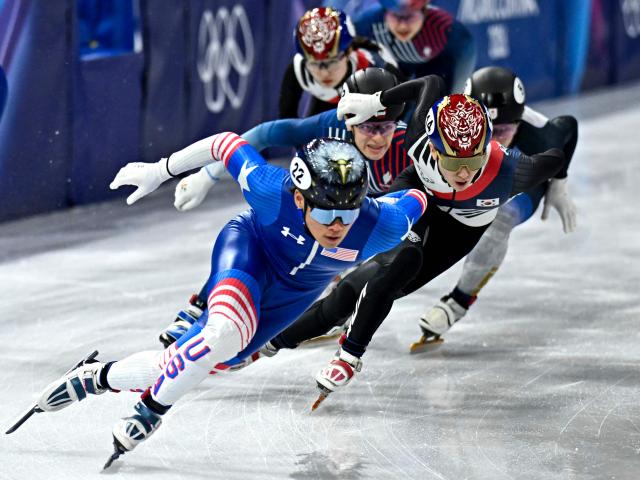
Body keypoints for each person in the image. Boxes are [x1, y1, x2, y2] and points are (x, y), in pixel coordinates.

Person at [29, 135, 428, 466]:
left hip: (293, 295)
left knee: (196, 361)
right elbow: (226, 144)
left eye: (349, 214)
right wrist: (161, 169)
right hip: (248, 253)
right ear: (302, 199)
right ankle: (148, 413)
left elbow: (422, 195)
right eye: (326, 214)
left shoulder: (384, 224)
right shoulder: (271, 190)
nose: (338, 226)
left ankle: (96, 376)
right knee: (223, 333)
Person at [259, 85, 572, 405]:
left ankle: (281, 343)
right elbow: (430, 82)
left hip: (462, 228)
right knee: (377, 276)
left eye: (473, 160)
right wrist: (377, 101)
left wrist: (558, 182)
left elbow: (564, 135)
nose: (463, 174)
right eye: (453, 163)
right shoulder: (420, 142)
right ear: (434, 151)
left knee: (363, 291)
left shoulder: (511, 171)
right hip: (418, 196)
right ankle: (315, 351)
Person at [161, 68, 445, 348]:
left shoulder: (407, 147)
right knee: (261, 242)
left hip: (359, 217)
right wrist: (206, 175)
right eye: (369, 128)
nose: (379, 139)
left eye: (387, 127)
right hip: (310, 206)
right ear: (348, 123)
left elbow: (433, 87)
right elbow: (263, 134)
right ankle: (200, 306)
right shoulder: (328, 125)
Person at [417, 66, 578, 349]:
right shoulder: (451, 123)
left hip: (520, 181)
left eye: (504, 130)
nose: (495, 140)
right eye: (487, 131)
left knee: (499, 217)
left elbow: (569, 126)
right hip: (465, 173)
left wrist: (559, 182)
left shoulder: (541, 133)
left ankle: (457, 302)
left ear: (520, 121)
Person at [279, 6, 399, 119]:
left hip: (372, 99)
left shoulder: (377, 66)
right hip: (328, 102)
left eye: (332, 61)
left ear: (349, 52)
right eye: (314, 63)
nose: (324, 72)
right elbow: (285, 122)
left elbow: (405, 111)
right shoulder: (299, 68)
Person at [353, 0, 475, 92]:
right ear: (384, 13)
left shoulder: (448, 33)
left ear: (425, 12)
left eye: (409, 16)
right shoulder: (365, 26)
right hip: (393, 67)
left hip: (436, 64)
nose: (403, 26)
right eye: (397, 16)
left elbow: (455, 86)